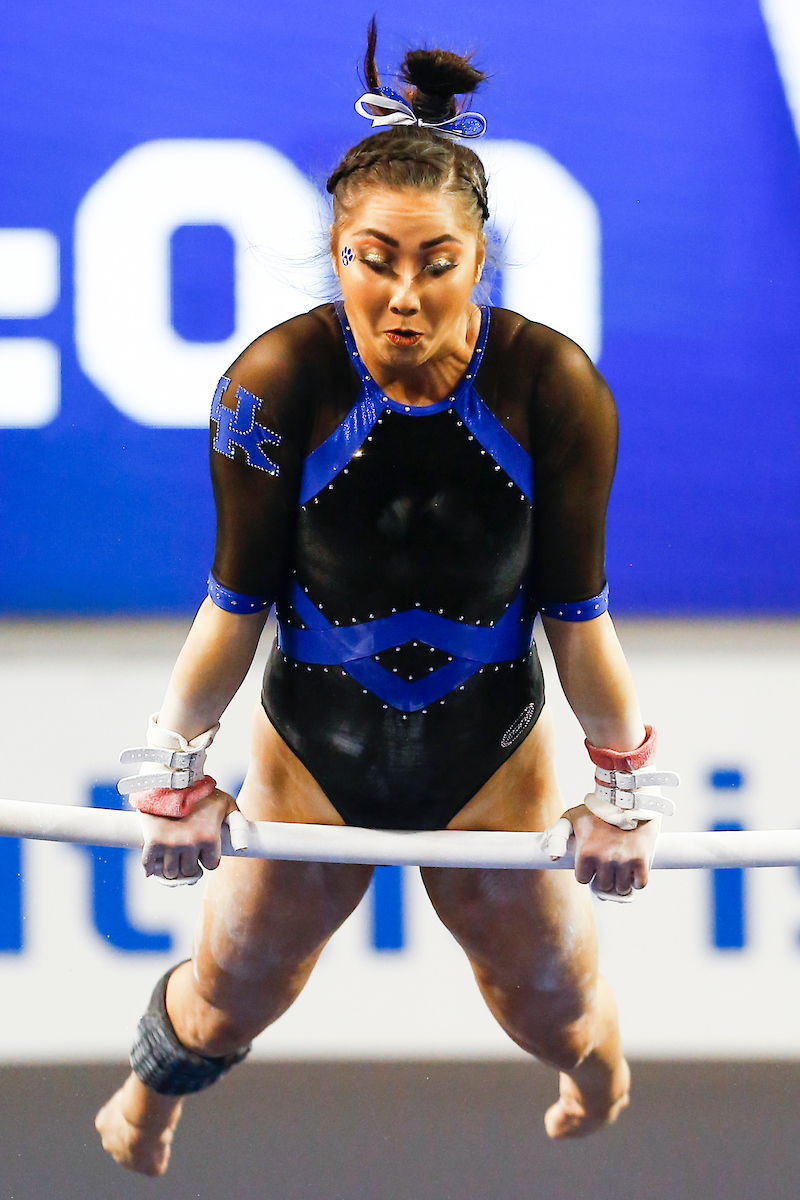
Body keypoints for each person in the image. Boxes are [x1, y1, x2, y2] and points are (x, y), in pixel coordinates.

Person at [95, 23, 675, 1177]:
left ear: (481, 262)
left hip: (490, 759)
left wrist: (620, 790)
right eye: (372, 259)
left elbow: (579, 623)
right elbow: (233, 604)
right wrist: (173, 771)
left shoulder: (552, 388)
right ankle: (150, 1094)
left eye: (436, 262)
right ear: (335, 249)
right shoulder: (274, 384)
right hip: (314, 755)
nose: (403, 296)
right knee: (226, 1003)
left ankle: (594, 1072)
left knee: (550, 1008)